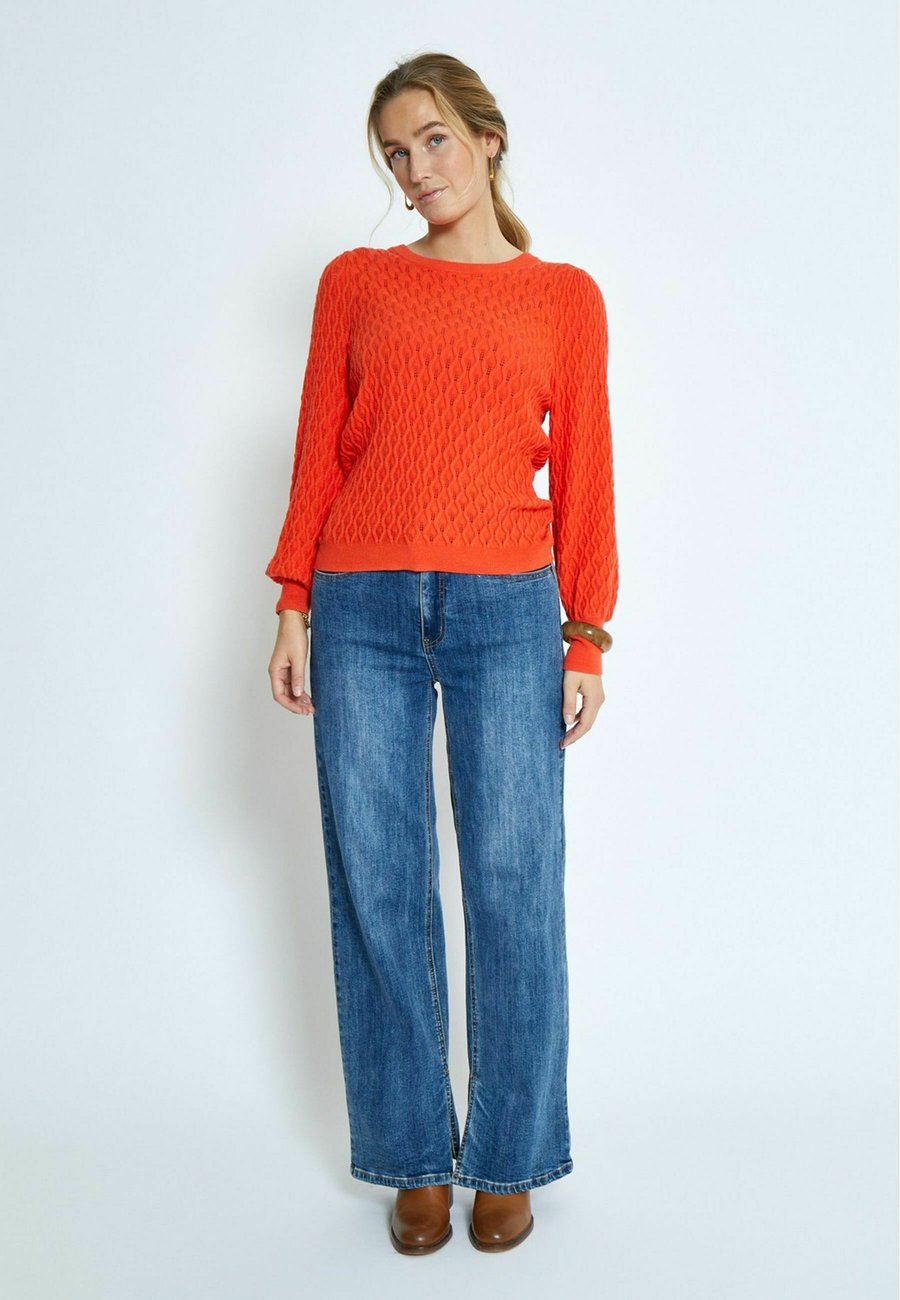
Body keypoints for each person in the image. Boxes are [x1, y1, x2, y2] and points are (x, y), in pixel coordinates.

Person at [265, 52, 618, 1255]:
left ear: (487, 138)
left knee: (514, 877)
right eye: (394, 154)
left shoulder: (563, 297)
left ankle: (510, 1154)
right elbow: (319, 445)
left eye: (432, 140)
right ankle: (413, 1154)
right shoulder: (356, 282)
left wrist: (587, 629)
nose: (416, 170)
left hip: (509, 610)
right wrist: (293, 600)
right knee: (378, 876)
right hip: (359, 604)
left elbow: (587, 471)